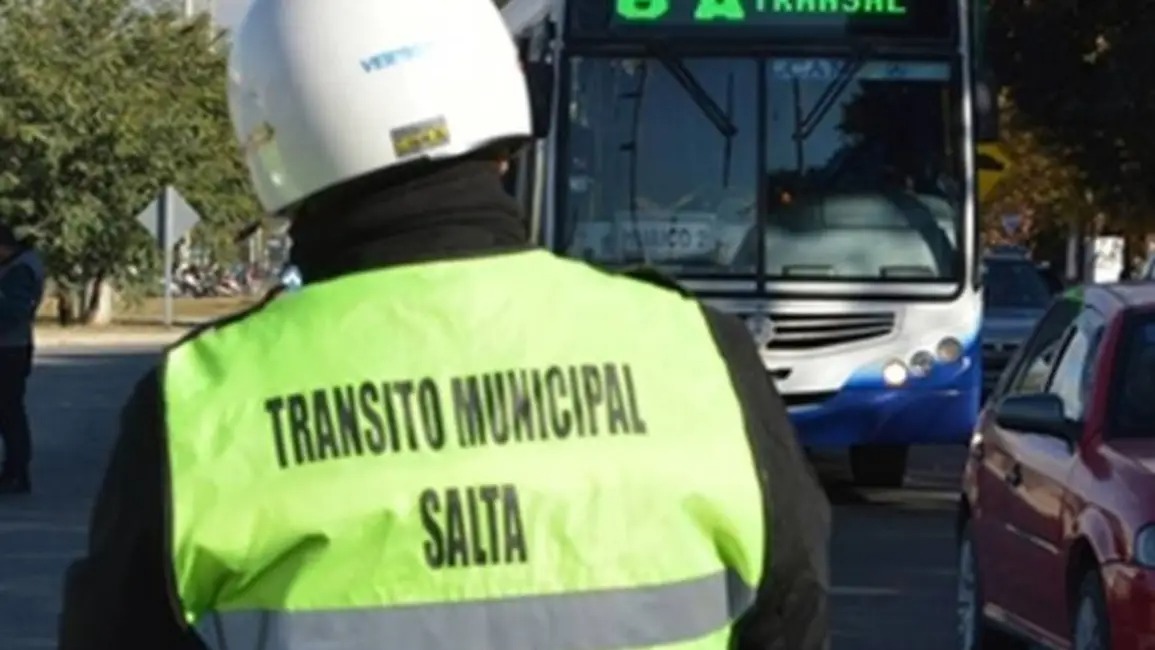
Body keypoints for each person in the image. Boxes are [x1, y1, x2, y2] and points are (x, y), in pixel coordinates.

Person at [58, 0, 830, 648]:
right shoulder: (697, 353)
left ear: (270, 139)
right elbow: (791, 613)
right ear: (502, 126)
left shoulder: (201, 403)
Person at [0, 224, 45, 495]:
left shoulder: (20, 270)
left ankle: (16, 472)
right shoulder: (17, 265)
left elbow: (12, 312)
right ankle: (14, 471)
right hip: (11, 347)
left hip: (9, 349)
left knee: (9, 412)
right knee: (8, 412)